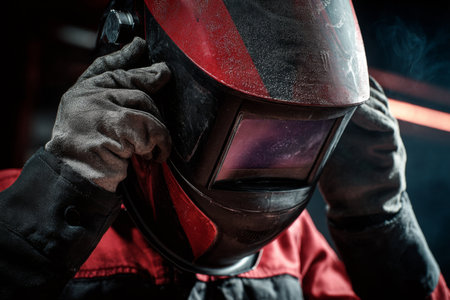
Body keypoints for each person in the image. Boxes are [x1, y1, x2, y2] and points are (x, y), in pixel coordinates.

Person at [0, 0, 448, 299]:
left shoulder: (296, 249)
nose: (271, 163)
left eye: (296, 141)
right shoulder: (22, 206)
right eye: (254, 134)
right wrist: (63, 191)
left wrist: (381, 223)